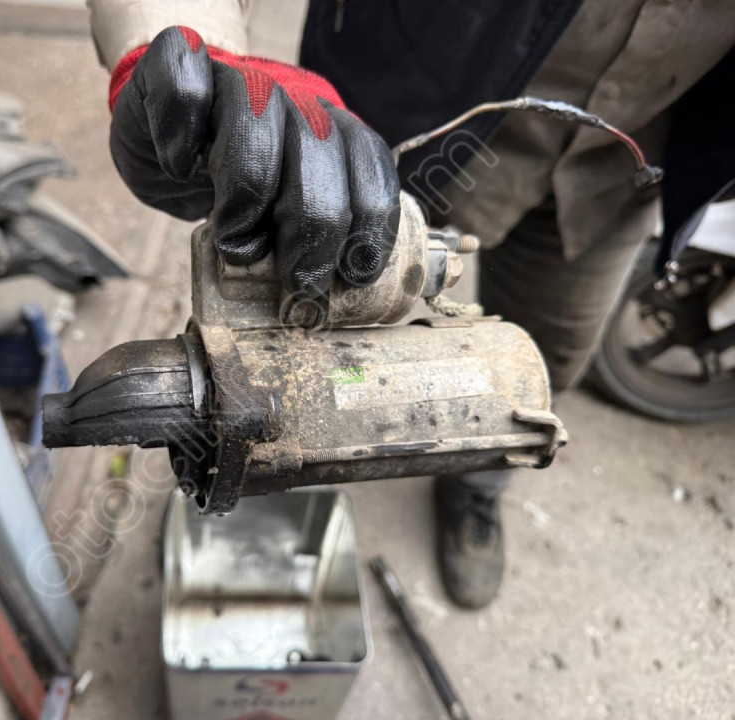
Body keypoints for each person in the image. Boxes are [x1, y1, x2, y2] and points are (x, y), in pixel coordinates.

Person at [89, 0, 735, 609]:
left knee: (549, 360)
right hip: (405, 133)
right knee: (315, 308)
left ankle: (477, 483)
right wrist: (187, 46)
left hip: (615, 172)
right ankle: (276, 454)